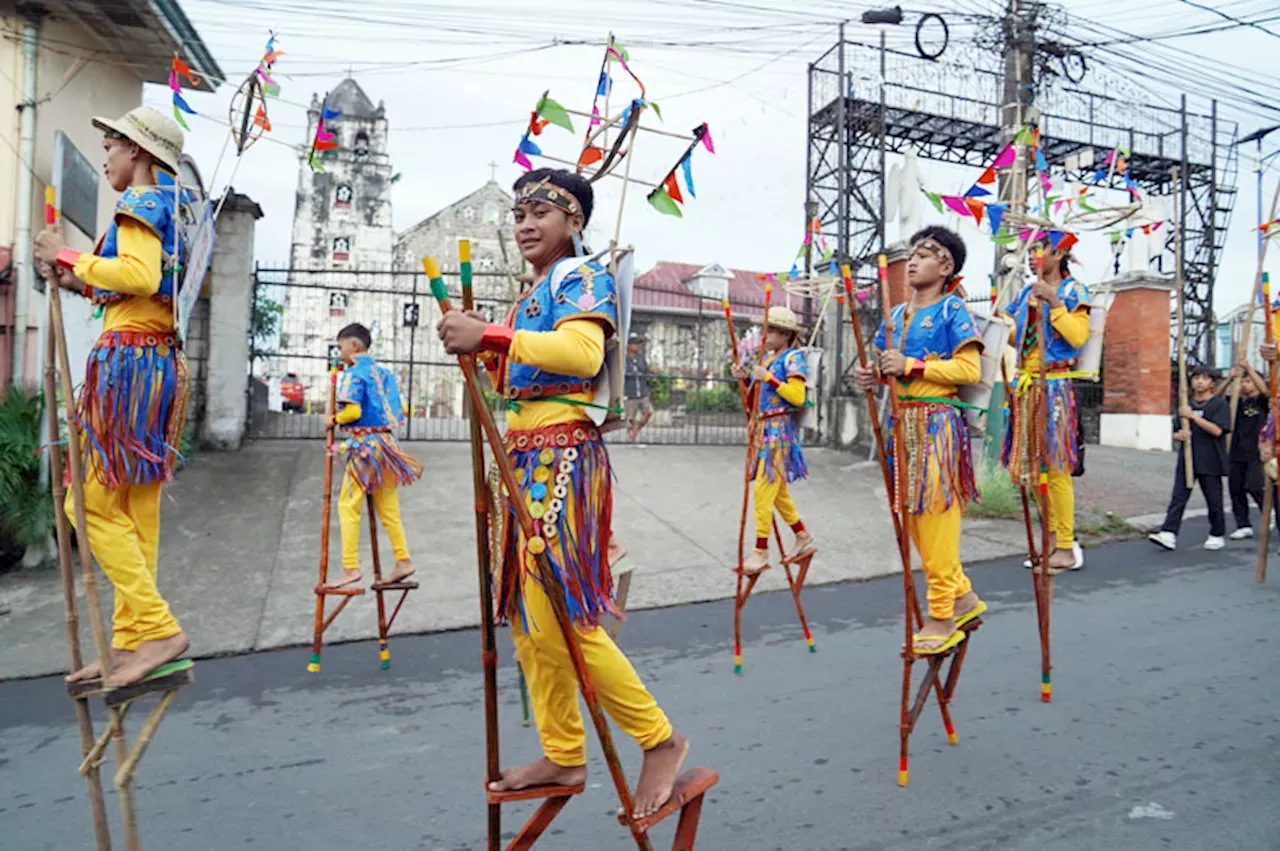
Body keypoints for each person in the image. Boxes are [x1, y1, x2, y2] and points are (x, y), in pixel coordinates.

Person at [436, 168, 688, 821]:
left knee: (567, 619)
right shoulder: (531, 296)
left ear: (573, 221)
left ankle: (659, 739)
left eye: (540, 210)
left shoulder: (581, 278)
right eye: (519, 211)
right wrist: (484, 346)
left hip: (562, 457)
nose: (524, 222)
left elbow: (580, 354)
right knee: (528, 620)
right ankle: (563, 750)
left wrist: (489, 336)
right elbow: (516, 375)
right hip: (522, 459)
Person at [32, 106, 191, 688]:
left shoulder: (142, 204)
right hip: (152, 365)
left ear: (139, 153)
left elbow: (139, 276)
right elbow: (138, 287)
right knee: (133, 513)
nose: (105, 156)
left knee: (87, 505)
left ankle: (158, 628)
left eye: (113, 145)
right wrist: (76, 279)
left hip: (128, 368)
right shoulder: (171, 208)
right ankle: (132, 645)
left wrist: (69, 256)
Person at [854, 226, 987, 654]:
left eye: (923, 254)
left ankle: (942, 614)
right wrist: (872, 376)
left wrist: (910, 365)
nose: (912, 261)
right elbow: (886, 367)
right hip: (901, 423)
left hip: (936, 423)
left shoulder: (952, 310)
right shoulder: (895, 316)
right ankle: (962, 594)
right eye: (910, 254)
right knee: (912, 519)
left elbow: (968, 370)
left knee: (935, 517)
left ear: (945, 265)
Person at [1002, 236, 1091, 573]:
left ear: (1061, 252)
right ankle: (1051, 540)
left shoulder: (1074, 291)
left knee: (1055, 469)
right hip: (1025, 385)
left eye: (1039, 250)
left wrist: (1053, 301)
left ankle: (1066, 546)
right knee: (1031, 469)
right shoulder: (1026, 292)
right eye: (1029, 251)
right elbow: (1018, 337)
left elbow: (1077, 337)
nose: (1032, 258)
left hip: (1054, 386)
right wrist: (995, 327)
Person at [324, 323, 422, 589]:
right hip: (388, 444)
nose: (340, 351)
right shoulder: (385, 374)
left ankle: (350, 566)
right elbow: (399, 409)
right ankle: (403, 559)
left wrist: (333, 419)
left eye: (341, 346)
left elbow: (352, 413)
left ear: (354, 346)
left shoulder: (354, 373)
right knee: (389, 508)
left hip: (365, 444)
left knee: (347, 504)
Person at [731, 305, 815, 575]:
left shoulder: (792, 358)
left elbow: (797, 397)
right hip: (763, 428)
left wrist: (769, 378)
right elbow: (755, 398)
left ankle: (760, 550)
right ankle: (802, 534)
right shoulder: (768, 358)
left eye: (771, 331)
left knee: (763, 490)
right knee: (775, 492)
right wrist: (744, 380)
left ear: (784, 334)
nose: (765, 336)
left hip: (779, 430)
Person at [1148, 365, 1230, 550]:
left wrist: (1193, 417)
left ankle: (1217, 533)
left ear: (1211, 383)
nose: (1199, 381)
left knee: (1213, 499)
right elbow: (1177, 430)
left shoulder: (1218, 405)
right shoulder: (1186, 405)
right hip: (1187, 458)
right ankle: (1168, 532)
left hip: (1210, 459)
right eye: (1196, 378)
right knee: (1179, 496)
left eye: (1204, 378)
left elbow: (1218, 430)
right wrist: (1179, 435)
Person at [1222, 360, 1272, 540]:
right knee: (1235, 488)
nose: (1245, 385)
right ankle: (1243, 524)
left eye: (1248, 381)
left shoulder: (1262, 402)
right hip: (1236, 450)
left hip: (1257, 450)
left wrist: (1249, 369)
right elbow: (1216, 399)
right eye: (1242, 381)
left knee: (1255, 485)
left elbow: (1266, 391)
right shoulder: (1235, 402)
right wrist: (1229, 380)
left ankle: (1269, 511)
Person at [624, 332, 654, 441]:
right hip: (630, 393)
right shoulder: (624, 359)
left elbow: (646, 371)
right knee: (629, 418)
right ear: (629, 345)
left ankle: (636, 430)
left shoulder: (641, 358)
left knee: (648, 412)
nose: (637, 346)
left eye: (638, 344)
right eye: (635, 344)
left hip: (642, 392)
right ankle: (631, 435)